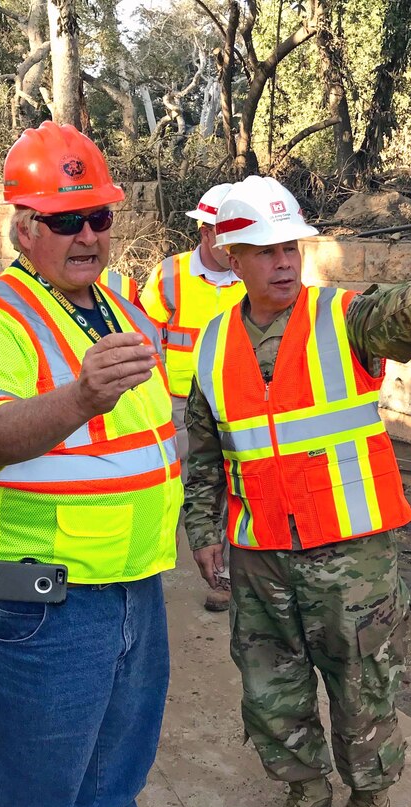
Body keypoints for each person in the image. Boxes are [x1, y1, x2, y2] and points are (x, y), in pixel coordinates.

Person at [183, 175, 411, 807]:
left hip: (351, 552)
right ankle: (305, 790)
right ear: (230, 256)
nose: (284, 261)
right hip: (259, 551)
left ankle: (370, 798)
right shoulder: (212, 341)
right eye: (266, 251)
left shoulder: (340, 316)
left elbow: (392, 315)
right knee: (272, 685)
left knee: (363, 680)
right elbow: (206, 451)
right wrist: (206, 533)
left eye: (291, 247)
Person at [0, 120, 182, 807]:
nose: (88, 236)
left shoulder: (121, 307)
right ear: (23, 230)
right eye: (66, 220)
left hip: (134, 584)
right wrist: (80, 396)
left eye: (98, 217)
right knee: (40, 795)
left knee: (114, 784)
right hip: (43, 603)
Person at [140, 182, 246, 611]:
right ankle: (149, 566)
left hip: (238, 402)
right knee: (170, 486)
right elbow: (145, 338)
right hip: (178, 405)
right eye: (228, 234)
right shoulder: (169, 275)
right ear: (205, 231)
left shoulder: (251, 271)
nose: (238, 245)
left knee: (233, 489)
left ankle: (223, 579)